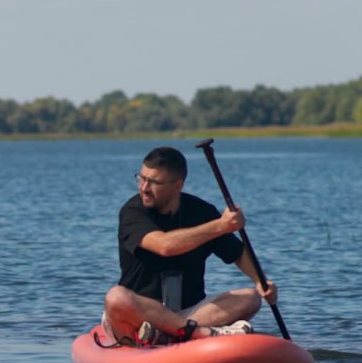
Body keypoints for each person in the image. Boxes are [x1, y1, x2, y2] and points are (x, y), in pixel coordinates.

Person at [103, 146, 278, 346]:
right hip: (141, 316)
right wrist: (220, 225)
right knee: (116, 297)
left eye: (153, 182)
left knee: (250, 298)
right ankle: (201, 334)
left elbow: (237, 253)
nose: (144, 188)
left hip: (190, 313)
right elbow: (165, 246)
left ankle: (168, 335)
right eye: (141, 178)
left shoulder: (201, 211)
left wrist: (260, 281)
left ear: (178, 185)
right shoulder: (132, 212)